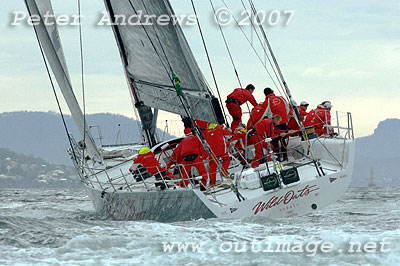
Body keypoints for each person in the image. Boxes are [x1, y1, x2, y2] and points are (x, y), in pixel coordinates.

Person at [263, 88, 291, 161]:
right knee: (283, 139)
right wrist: (284, 118)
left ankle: (278, 157)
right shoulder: (281, 98)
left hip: (274, 123)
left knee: (274, 139)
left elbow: (264, 113)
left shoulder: (267, 101)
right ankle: (285, 156)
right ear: (272, 92)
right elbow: (287, 108)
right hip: (283, 121)